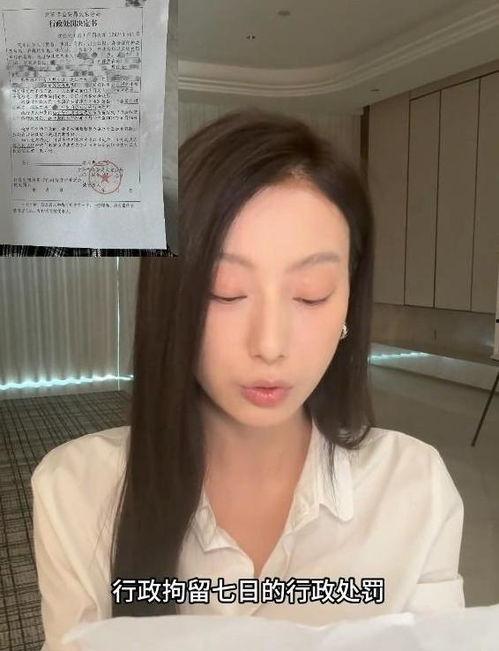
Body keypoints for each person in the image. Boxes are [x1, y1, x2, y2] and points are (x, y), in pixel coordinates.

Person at [31, 109, 465, 650]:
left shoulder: (414, 488)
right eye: (226, 291)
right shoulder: (77, 491)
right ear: (172, 298)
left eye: (311, 294)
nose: (269, 344)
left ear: (349, 300)